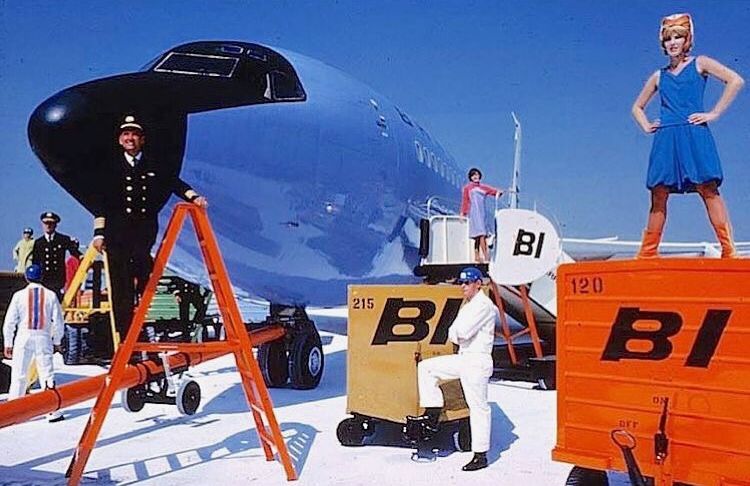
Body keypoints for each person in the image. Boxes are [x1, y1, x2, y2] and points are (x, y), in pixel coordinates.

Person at [632, 13, 744, 258]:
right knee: (658, 192)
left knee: (708, 188)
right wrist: (646, 125)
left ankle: (728, 249)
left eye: (678, 37)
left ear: (687, 40)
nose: (673, 42)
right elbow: (637, 107)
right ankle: (648, 253)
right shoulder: (659, 75)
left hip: (694, 132)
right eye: (668, 38)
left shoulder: (700, 63)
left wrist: (714, 113)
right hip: (666, 137)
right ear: (663, 43)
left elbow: (735, 80)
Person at [92, 115, 207, 341]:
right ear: (120, 140)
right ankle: (125, 334)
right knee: (120, 284)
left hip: (143, 231)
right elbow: (102, 203)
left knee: (144, 270)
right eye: (126, 134)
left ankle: (141, 318)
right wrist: (99, 233)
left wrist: (194, 197)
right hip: (117, 233)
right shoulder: (110, 168)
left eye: (135, 134)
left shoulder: (153, 165)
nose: (130, 138)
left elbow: (174, 183)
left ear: (142, 140)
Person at [405, 267, 498, 471]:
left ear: (478, 284)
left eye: (467, 282)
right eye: (461, 282)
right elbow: (454, 333)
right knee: (427, 368)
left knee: (478, 408)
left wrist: (456, 332)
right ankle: (432, 415)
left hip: (477, 360)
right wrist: (456, 332)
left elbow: (460, 333)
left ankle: (480, 455)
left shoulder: (484, 306)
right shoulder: (469, 305)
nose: (463, 286)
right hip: (464, 358)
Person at [3, 264, 65, 422]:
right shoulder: (51, 295)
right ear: (42, 277)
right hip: (43, 337)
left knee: (19, 373)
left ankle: (14, 411)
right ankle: (52, 411)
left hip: (23, 337)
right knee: (47, 374)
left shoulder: (18, 296)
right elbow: (58, 322)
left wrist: (8, 343)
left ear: (26, 277)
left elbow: (9, 322)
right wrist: (57, 340)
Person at [31, 212, 81, 301]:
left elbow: (74, 252)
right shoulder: (38, 242)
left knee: (58, 303)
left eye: (51, 223)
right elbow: (35, 262)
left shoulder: (62, 239)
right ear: (42, 225)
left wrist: (82, 257)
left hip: (58, 280)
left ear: (55, 225)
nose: (48, 226)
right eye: (46, 223)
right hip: (44, 280)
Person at [460, 168, 501, 263]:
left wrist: (499, 192)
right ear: (470, 177)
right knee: (480, 234)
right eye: (473, 175)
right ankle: (486, 256)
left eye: (477, 174)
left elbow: (493, 191)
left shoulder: (483, 187)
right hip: (474, 213)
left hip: (482, 212)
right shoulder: (467, 188)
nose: (476, 176)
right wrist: (463, 212)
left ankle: (477, 256)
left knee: (479, 235)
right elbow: (465, 201)